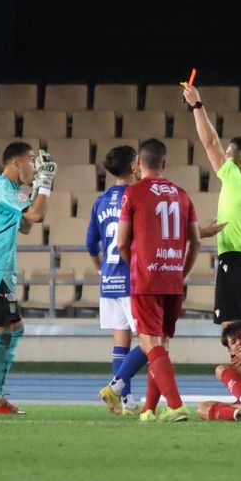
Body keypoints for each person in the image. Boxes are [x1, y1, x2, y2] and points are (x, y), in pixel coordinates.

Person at [0, 141, 56, 415]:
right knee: (1, 334)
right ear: (16, 163)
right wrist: (45, 183)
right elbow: (38, 215)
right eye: (31, 161)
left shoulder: (8, 191)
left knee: (15, 330)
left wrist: (34, 189)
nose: (35, 166)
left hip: (0, 275)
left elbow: (27, 225)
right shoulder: (2, 189)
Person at [115, 138, 200, 423]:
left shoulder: (133, 193)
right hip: (173, 279)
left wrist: (137, 265)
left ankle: (175, 405)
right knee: (160, 345)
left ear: (138, 164)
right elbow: (196, 241)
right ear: (164, 163)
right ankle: (150, 409)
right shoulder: (183, 195)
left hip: (147, 279)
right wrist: (181, 271)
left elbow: (121, 242)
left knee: (150, 344)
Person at [181, 83, 241, 333]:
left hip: (234, 261)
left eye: (229, 153)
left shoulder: (235, 178)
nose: (225, 156)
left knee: (232, 330)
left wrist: (197, 104)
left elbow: (209, 142)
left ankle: (237, 373)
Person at [91, 145, 153, 415]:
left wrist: (100, 268)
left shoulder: (101, 201)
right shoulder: (137, 196)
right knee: (151, 341)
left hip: (109, 279)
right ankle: (115, 388)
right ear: (133, 167)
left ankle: (126, 403)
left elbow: (90, 244)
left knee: (120, 343)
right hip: (132, 278)